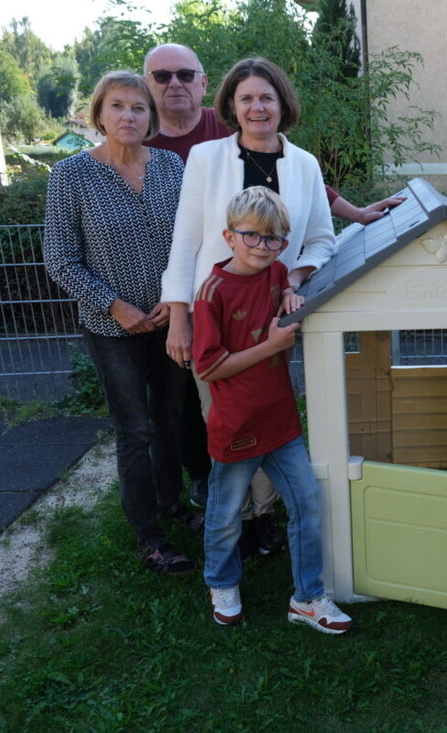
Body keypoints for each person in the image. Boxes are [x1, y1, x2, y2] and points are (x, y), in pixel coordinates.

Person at [161, 56, 337, 559]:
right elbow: (186, 240)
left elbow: (322, 240)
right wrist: (178, 316)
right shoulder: (206, 159)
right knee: (224, 419)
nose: (257, 107)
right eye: (246, 99)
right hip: (214, 311)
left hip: (274, 318)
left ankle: (262, 518)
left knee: (270, 413)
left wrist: (294, 277)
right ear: (231, 107)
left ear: (282, 104)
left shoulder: (304, 164)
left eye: (266, 97)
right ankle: (231, 518)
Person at [43, 70, 202, 574]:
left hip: (170, 319)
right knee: (135, 428)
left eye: (138, 107)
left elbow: (192, 241)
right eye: (117, 106)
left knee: (173, 416)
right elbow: (60, 257)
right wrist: (115, 305)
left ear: (150, 116)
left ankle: (172, 503)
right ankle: (149, 534)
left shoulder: (173, 166)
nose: (128, 116)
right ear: (99, 114)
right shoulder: (71, 176)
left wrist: (176, 302)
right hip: (112, 327)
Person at [193, 185, 352, 633]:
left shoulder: (277, 270)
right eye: (252, 236)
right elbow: (209, 366)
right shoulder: (212, 293)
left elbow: (286, 278)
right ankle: (221, 583)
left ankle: (307, 596)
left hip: (281, 423)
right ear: (229, 236)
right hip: (236, 427)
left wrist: (290, 289)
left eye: (274, 238)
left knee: (307, 504)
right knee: (225, 516)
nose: (263, 247)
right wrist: (272, 345)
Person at [143, 43, 233, 511]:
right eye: (161, 76)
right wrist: (168, 296)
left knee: (229, 388)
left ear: (203, 82)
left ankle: (247, 482)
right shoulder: (140, 141)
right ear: (148, 85)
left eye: (184, 74)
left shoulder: (227, 129)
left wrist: (353, 212)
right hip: (166, 295)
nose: (174, 84)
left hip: (227, 287)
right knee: (177, 401)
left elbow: (283, 173)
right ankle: (200, 478)